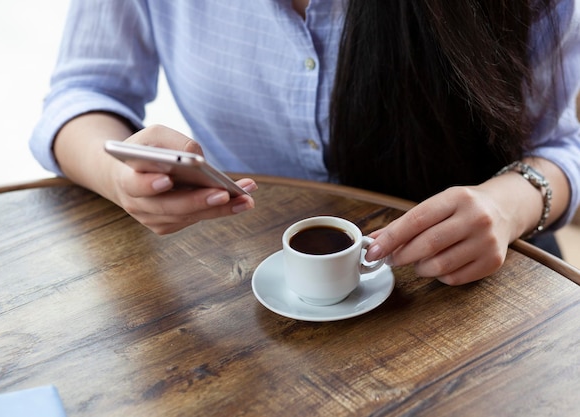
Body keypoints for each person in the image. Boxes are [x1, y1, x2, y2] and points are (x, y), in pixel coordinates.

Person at [30, 0, 580, 286]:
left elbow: (562, 150)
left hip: (466, 283)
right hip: (246, 283)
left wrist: (506, 208)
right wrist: (124, 179)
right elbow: (83, 91)